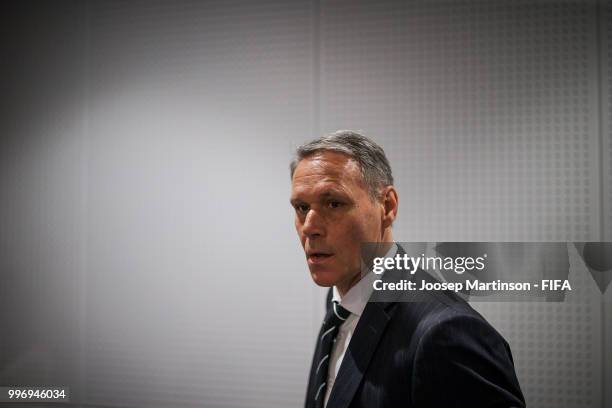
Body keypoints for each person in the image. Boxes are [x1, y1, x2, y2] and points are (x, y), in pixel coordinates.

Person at [289, 130, 525, 408]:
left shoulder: (446, 332)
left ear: (387, 206)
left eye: (334, 203)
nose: (310, 227)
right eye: (302, 207)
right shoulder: (339, 305)